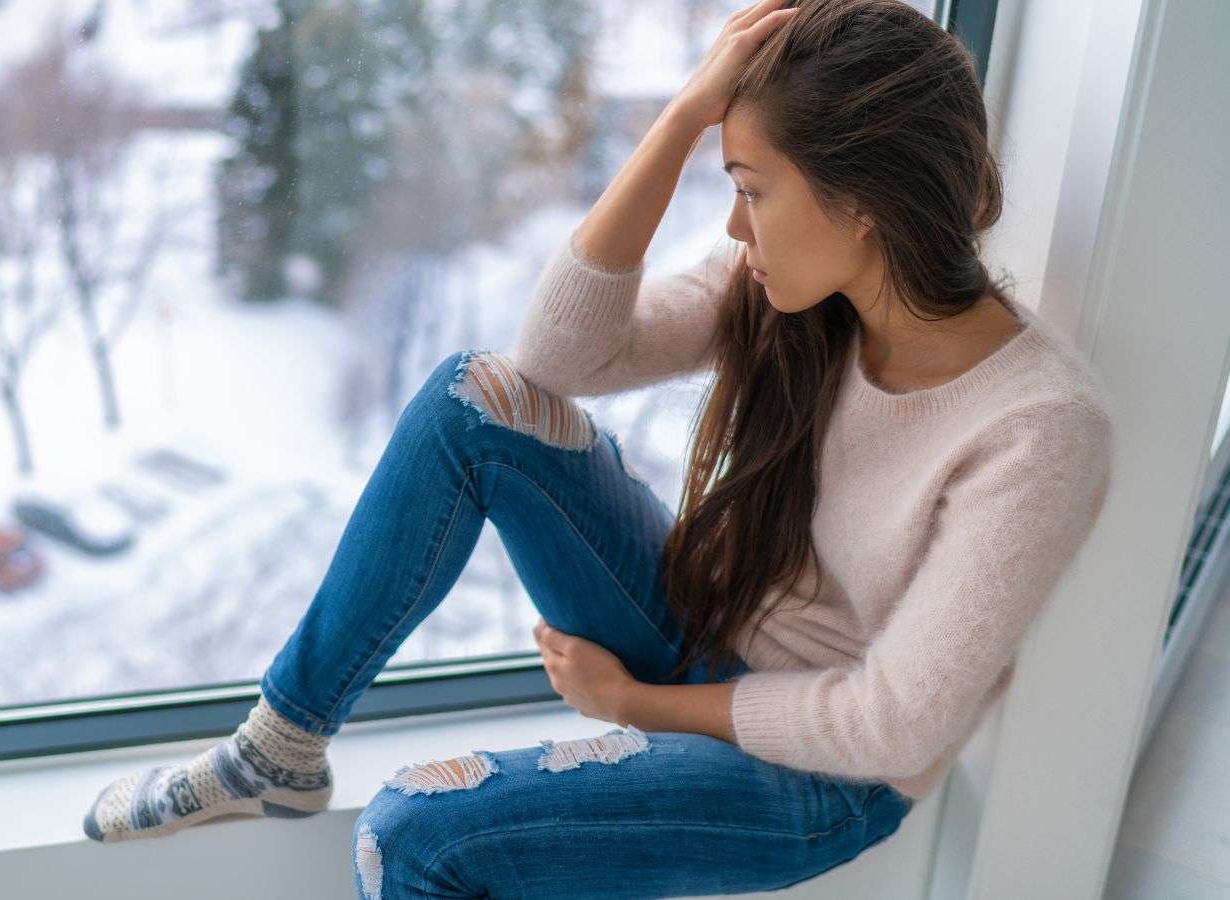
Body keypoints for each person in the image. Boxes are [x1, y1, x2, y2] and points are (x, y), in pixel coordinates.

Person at [81, 0, 1116, 897]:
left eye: (751, 190)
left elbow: (889, 727)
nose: (736, 228)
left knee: (409, 837)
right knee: (470, 401)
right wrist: (680, 119)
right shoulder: (794, 290)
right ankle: (278, 747)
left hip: (817, 776)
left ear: (862, 205)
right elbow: (556, 357)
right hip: (709, 625)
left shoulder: (1036, 430)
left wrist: (635, 707)